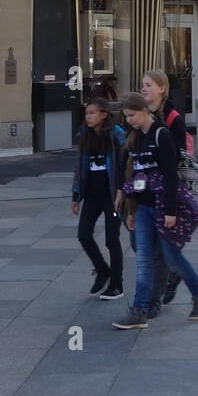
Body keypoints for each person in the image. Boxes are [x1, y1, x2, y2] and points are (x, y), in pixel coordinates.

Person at [113, 94, 198, 329]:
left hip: (163, 206)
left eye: (132, 115)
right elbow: (136, 177)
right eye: (126, 117)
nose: (130, 121)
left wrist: (170, 211)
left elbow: (169, 176)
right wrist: (131, 210)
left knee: (171, 256)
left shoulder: (161, 134)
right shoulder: (135, 139)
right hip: (144, 207)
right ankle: (140, 311)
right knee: (144, 260)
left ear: (145, 111)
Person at [140, 70, 188, 312]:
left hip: (166, 190)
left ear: (162, 89)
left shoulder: (172, 118)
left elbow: (177, 159)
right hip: (145, 191)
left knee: (158, 249)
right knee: (143, 246)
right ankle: (172, 274)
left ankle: (153, 300)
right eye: (142, 85)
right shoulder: (140, 115)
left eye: (148, 85)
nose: (144, 88)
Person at [72, 97, 127, 300]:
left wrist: (122, 190)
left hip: (113, 195)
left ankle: (117, 284)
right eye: (87, 113)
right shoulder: (85, 135)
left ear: (104, 114)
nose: (88, 116)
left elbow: (124, 164)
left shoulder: (117, 134)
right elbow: (79, 167)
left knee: (111, 239)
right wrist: (76, 195)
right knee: (83, 234)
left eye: (92, 113)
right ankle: (102, 270)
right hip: (92, 194)